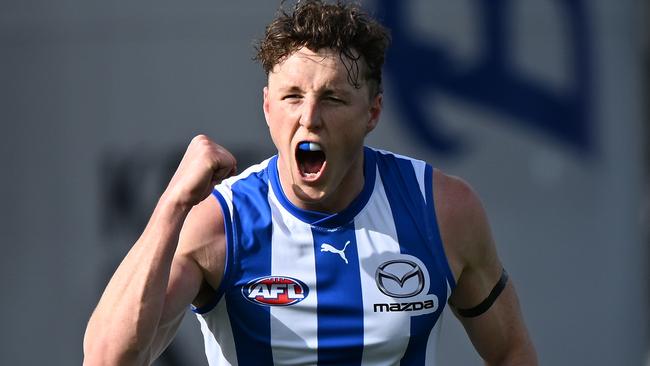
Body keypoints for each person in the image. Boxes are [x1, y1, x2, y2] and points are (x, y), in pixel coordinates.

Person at [83, 1, 538, 365]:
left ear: (373, 113)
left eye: (334, 98)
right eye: (292, 97)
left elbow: (511, 352)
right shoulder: (220, 224)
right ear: (267, 108)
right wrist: (172, 205)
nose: (309, 118)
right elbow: (109, 359)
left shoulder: (442, 211)